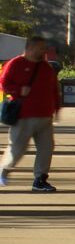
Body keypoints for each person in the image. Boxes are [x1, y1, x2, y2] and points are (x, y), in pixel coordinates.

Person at [0, 36, 60, 191]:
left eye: (44, 47)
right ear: (30, 48)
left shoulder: (46, 67)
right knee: (17, 149)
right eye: (41, 47)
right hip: (24, 116)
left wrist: (57, 108)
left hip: (45, 116)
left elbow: (54, 88)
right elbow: (3, 83)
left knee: (47, 148)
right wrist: (18, 90)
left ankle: (40, 179)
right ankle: (4, 169)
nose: (44, 50)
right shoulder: (15, 64)